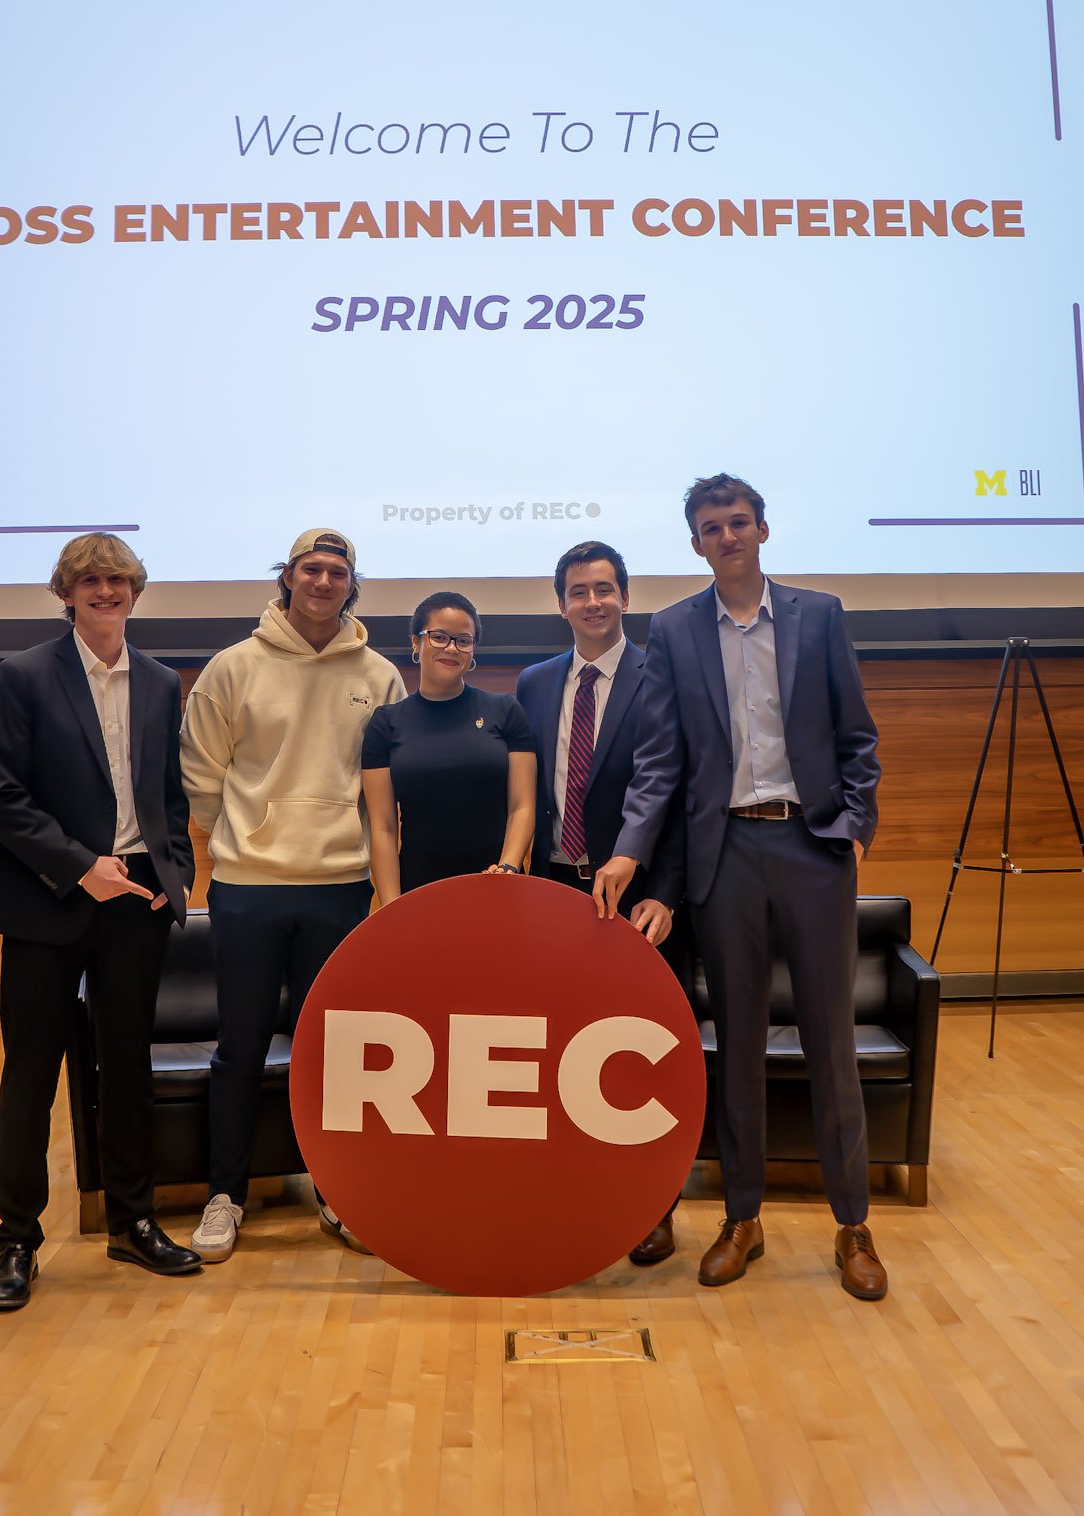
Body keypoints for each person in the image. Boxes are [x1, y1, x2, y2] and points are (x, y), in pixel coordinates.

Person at [595, 475, 887, 1300]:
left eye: (738, 522)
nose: (726, 536)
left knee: (832, 1043)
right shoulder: (674, 629)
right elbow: (660, 762)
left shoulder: (817, 615)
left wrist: (851, 830)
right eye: (710, 527)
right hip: (726, 858)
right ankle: (741, 1218)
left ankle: (852, 1225)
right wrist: (626, 852)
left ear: (762, 530)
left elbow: (856, 736)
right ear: (693, 543)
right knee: (740, 1051)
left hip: (811, 848)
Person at [0, 534, 201, 1311]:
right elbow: (1, 797)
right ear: (65, 593)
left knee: (127, 1067)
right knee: (30, 1073)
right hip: (46, 901)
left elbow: (167, 795)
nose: (106, 591)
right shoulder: (24, 675)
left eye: (118, 579)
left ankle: (132, 1220)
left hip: (134, 901)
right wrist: (79, 866)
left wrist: (173, 874)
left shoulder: (163, 681)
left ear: (136, 591)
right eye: (90, 580)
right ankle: (15, 1241)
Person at [180, 530, 405, 1262]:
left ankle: (338, 1194)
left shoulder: (378, 673)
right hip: (248, 887)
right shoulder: (233, 667)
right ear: (287, 578)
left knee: (335, 1055)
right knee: (239, 1048)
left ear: (351, 585)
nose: (322, 580)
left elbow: (389, 787)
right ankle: (225, 1196)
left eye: (337, 572)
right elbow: (202, 774)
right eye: (310, 568)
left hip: (341, 888)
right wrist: (230, 844)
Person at [516, 539, 691, 1266]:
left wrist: (668, 893)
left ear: (624, 595)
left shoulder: (665, 674)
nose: (593, 601)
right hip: (556, 891)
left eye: (605, 588)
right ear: (560, 603)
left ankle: (653, 1207)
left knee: (640, 1062)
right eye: (579, 591)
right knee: (557, 1054)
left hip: (638, 900)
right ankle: (567, 1195)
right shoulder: (532, 683)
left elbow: (683, 792)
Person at [361, 592, 537, 897]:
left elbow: (522, 806)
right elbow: (383, 827)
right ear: (416, 642)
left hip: (496, 885)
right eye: (439, 637)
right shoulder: (386, 722)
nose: (451, 648)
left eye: (463, 640)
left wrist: (508, 868)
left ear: (473, 651)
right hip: (419, 891)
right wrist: (390, 907)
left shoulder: (505, 711)